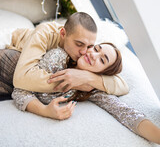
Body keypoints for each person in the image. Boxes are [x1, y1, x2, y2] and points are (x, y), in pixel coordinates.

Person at [12, 44, 160, 145]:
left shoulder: (91, 90)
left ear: (103, 74)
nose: (93, 54)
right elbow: (19, 89)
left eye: (102, 59)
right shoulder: (58, 57)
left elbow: (126, 114)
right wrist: (45, 111)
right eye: (96, 48)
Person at [0, 12, 128, 97]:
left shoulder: (89, 49)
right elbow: (22, 78)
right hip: (5, 42)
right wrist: (73, 83)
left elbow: (123, 86)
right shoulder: (44, 33)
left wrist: (86, 78)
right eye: (79, 44)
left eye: (90, 46)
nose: (85, 52)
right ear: (62, 34)